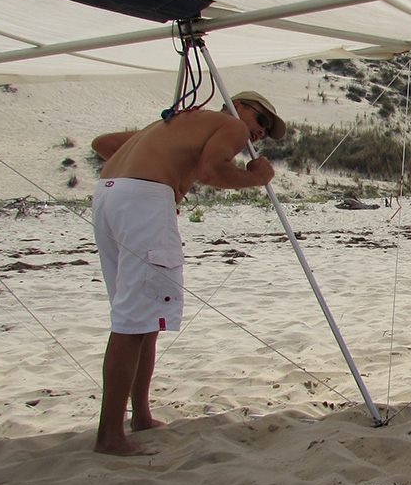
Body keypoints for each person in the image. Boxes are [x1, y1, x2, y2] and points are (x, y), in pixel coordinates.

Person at [89, 91, 285, 455]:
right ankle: (110, 435)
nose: (260, 132)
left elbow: (103, 144)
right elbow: (213, 171)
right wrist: (255, 178)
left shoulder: (176, 124)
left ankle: (141, 416)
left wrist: (160, 163)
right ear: (239, 106)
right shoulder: (230, 125)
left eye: (266, 130)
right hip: (142, 199)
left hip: (109, 195)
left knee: (144, 317)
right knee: (133, 320)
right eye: (261, 121)